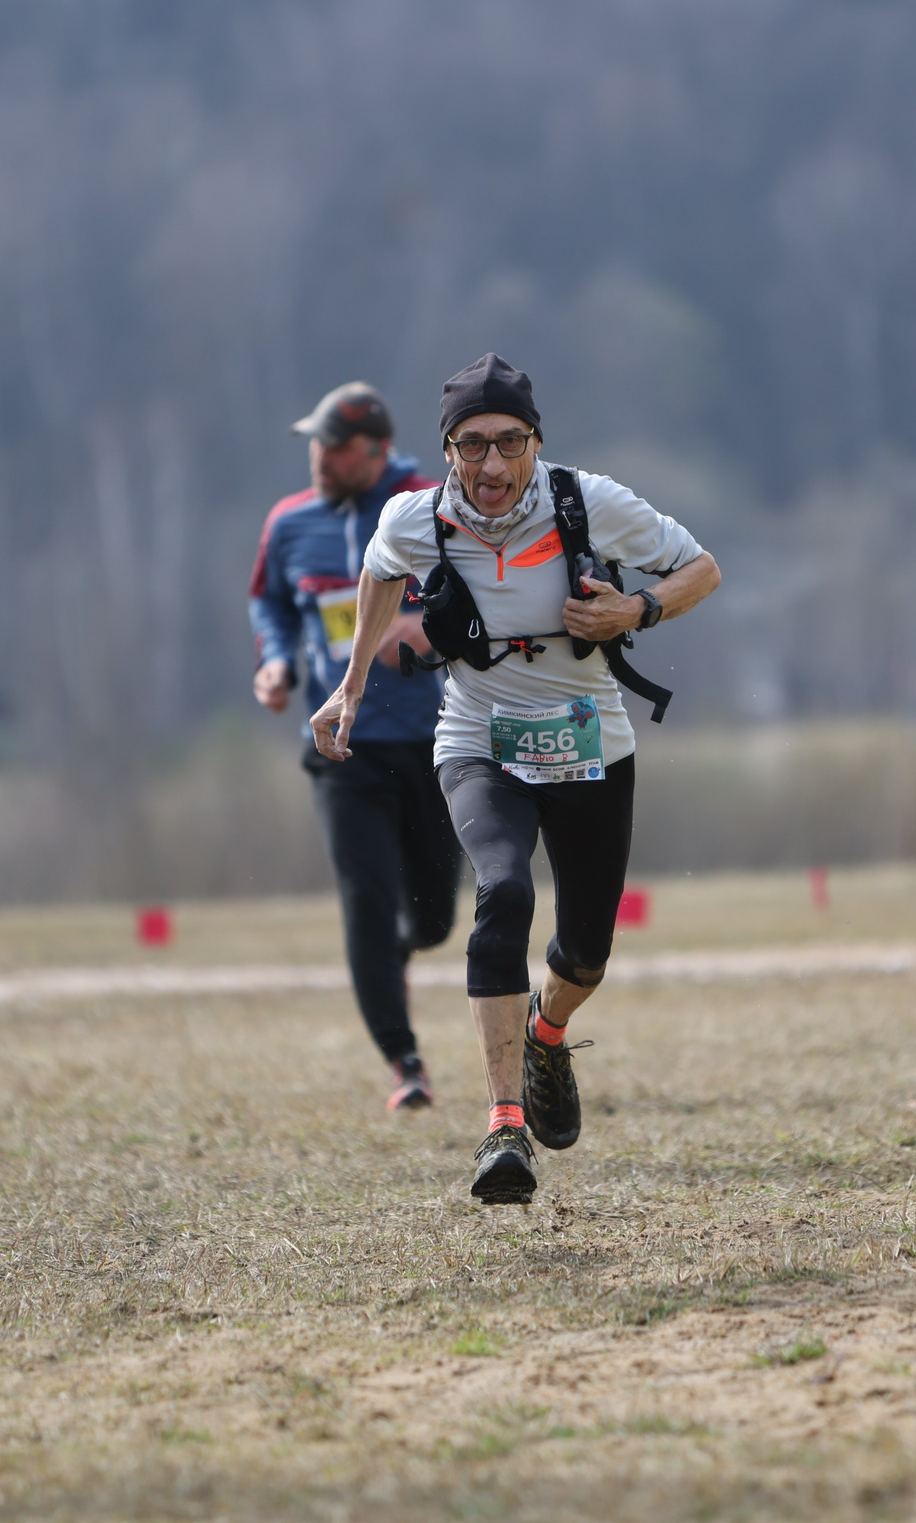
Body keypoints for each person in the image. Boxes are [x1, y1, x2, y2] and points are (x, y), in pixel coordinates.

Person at [311, 355, 721, 1203]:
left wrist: (633, 610)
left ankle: (548, 1031)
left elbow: (701, 570)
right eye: (472, 446)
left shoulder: (590, 503)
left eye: (509, 444)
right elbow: (381, 574)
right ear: (447, 448)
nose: (492, 467)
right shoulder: (415, 517)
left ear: (536, 441)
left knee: (587, 954)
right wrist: (348, 689)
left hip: (588, 744)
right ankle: (504, 1129)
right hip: (478, 740)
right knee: (501, 890)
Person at [250, 381, 462, 1111]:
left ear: (375, 449)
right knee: (365, 900)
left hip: (436, 739)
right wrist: (273, 661)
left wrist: (426, 631)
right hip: (342, 743)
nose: (320, 457)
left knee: (433, 917)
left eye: (335, 446)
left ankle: (404, 950)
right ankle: (405, 1065)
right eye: (315, 442)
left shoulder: (435, 505)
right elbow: (270, 603)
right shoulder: (288, 523)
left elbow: (482, 591)